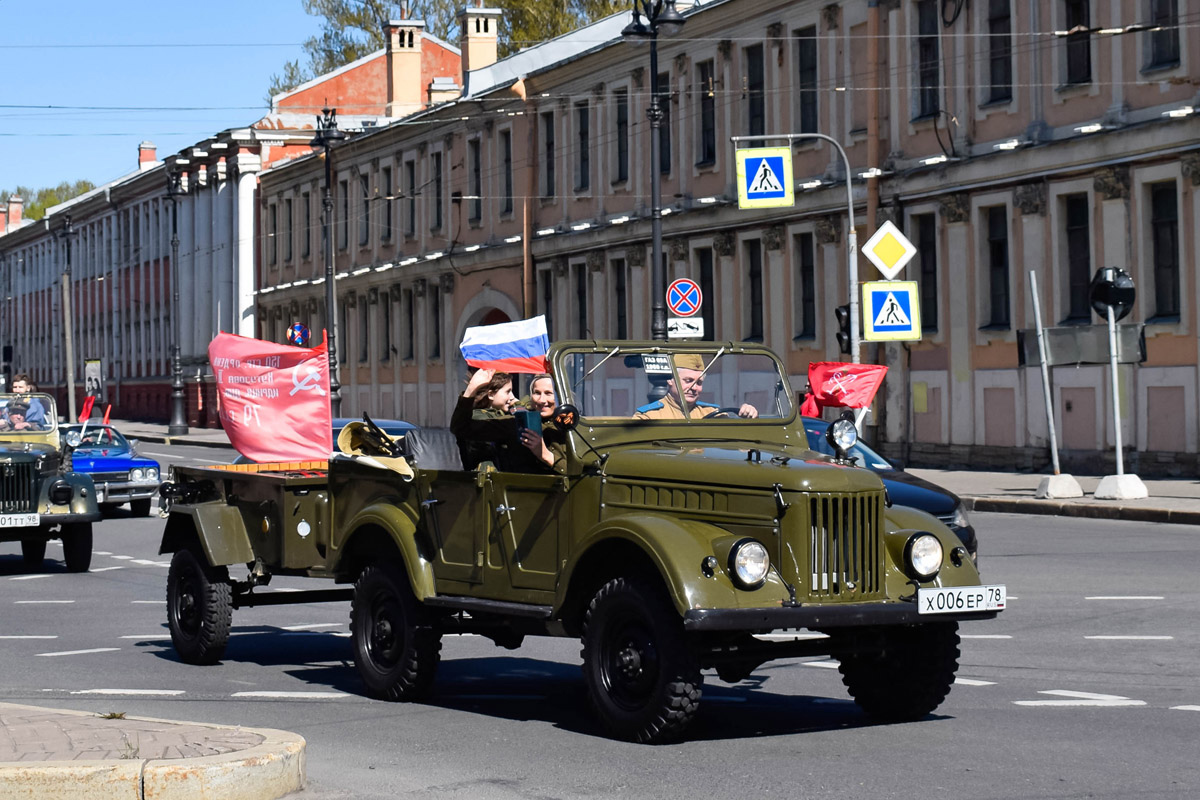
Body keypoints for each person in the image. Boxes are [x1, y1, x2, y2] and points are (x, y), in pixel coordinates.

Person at [450, 368, 553, 473]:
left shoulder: (499, 413)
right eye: (508, 391)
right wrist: (471, 389)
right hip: (489, 483)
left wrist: (517, 404)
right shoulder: (480, 418)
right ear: (490, 394)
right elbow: (461, 427)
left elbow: (520, 410)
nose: (512, 397)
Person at [634, 354, 758, 420]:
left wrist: (748, 416)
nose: (694, 388)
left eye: (699, 383)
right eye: (688, 381)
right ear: (670, 380)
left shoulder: (713, 415)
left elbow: (738, 446)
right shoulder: (649, 417)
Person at [516, 373, 567, 472]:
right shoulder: (522, 420)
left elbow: (582, 473)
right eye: (537, 393)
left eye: (548, 393)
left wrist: (545, 455)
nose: (541, 400)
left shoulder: (572, 426)